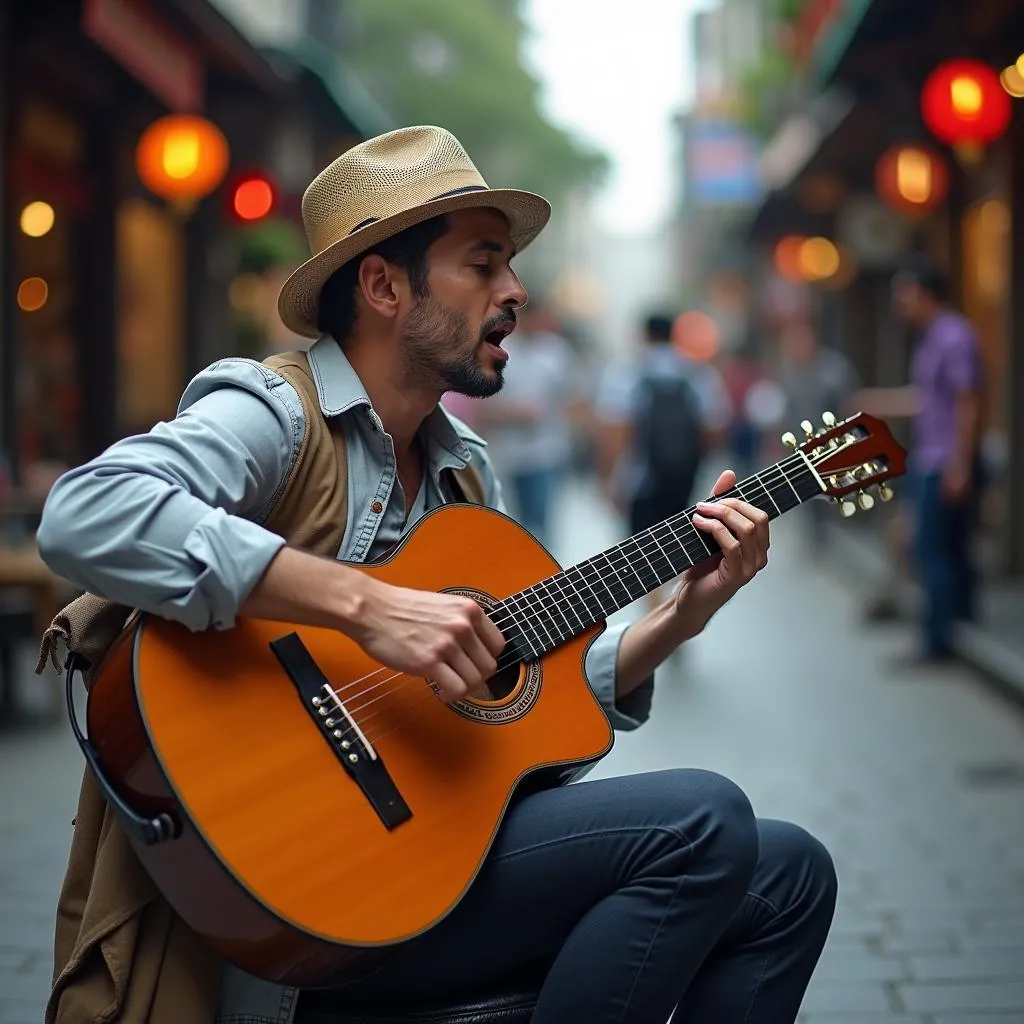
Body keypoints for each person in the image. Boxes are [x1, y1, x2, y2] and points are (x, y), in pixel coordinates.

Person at [36, 127, 835, 1024]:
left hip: (421, 863)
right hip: (292, 896)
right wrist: (365, 605)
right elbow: (85, 513)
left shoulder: (466, 472)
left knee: (792, 874)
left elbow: (516, 701)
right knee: (703, 819)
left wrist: (678, 620)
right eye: (483, 265)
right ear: (383, 285)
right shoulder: (276, 413)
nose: (517, 293)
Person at [855, 257, 983, 664]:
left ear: (925, 293)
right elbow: (928, 400)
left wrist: (960, 463)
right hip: (939, 457)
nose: (899, 303)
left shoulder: (952, 336)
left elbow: (968, 401)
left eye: (904, 293)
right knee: (951, 545)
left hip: (944, 460)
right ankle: (958, 621)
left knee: (931, 548)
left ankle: (937, 639)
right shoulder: (934, 337)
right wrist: (879, 401)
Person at [595, 312, 732, 609]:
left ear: (645, 335)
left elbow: (615, 433)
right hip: (684, 479)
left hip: (639, 481)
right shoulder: (698, 373)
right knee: (680, 545)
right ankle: (677, 603)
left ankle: (657, 613)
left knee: (643, 552)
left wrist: (608, 479)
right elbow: (715, 430)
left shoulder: (627, 372)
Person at [471, 299, 583, 546]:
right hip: (508, 456)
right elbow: (481, 406)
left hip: (547, 454)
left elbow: (575, 401)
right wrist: (515, 414)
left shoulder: (556, 352)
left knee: (542, 524)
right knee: (512, 525)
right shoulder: (499, 351)